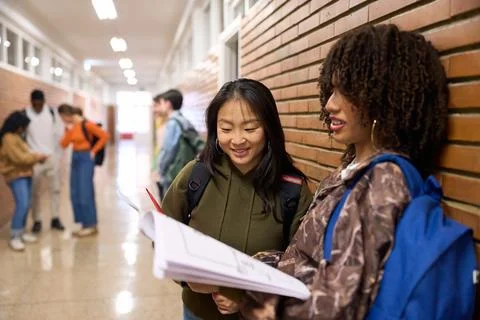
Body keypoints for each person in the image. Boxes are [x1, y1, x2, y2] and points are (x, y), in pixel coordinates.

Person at [212, 24, 450, 319]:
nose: (330, 104)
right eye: (331, 89)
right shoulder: (353, 170)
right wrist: (248, 268)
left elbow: (338, 306)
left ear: (381, 97)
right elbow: (309, 262)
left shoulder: (382, 182)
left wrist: (250, 298)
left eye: (345, 91)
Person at [161, 79, 313, 320]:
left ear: (269, 127)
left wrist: (245, 297)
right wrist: (188, 279)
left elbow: (303, 266)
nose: (238, 139)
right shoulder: (196, 175)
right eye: (226, 128)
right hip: (197, 313)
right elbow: (164, 235)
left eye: (250, 128)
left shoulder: (292, 190)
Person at [57, 104, 109, 237]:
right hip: (75, 157)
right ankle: (83, 223)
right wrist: (67, 131)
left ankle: (91, 224)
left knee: (85, 191)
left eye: (63, 117)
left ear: (67, 115)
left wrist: (93, 151)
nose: (63, 120)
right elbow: (63, 144)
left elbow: (104, 136)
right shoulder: (72, 127)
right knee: (75, 192)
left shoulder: (87, 125)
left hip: (86, 158)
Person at [0, 111, 48, 251]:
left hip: (25, 173)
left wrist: (35, 156)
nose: (25, 129)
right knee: (22, 204)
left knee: (27, 204)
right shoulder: (8, 138)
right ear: (18, 125)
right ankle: (15, 236)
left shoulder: (17, 137)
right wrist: (37, 158)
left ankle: (21, 232)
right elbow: (19, 158)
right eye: (24, 126)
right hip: (15, 175)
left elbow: (26, 154)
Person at [24, 89, 65, 233]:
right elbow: (23, 136)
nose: (38, 106)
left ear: (44, 101)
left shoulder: (51, 113)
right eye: (35, 103)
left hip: (51, 157)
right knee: (35, 192)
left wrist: (57, 156)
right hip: (34, 159)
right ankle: (37, 220)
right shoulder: (26, 114)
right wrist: (31, 155)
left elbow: (59, 135)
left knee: (55, 189)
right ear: (31, 102)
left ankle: (55, 217)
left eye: (40, 103)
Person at [155, 89, 204, 199]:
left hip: (173, 173)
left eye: (161, 103)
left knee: (169, 209)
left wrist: (161, 169)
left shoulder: (173, 123)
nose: (160, 106)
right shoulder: (183, 120)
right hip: (183, 171)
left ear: (168, 104)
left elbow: (168, 151)